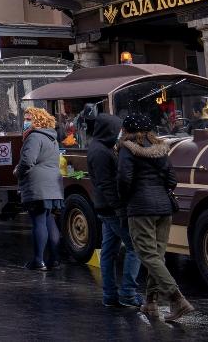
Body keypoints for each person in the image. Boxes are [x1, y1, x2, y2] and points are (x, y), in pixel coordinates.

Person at [119, 112, 193, 321]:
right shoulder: (161, 150)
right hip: (163, 208)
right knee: (157, 256)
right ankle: (150, 303)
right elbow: (172, 180)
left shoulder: (128, 149)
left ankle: (177, 299)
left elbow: (124, 179)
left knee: (148, 255)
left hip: (141, 208)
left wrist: (125, 199)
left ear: (127, 131)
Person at [89, 114, 143, 309]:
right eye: (117, 129)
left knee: (109, 250)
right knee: (134, 247)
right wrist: (119, 208)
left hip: (105, 206)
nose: (120, 132)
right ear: (109, 130)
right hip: (111, 208)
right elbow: (106, 183)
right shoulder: (101, 152)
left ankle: (110, 294)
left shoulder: (98, 147)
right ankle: (128, 292)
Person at [17, 106, 64, 271]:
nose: (25, 121)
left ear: (37, 120)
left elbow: (28, 161)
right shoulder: (52, 137)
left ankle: (38, 260)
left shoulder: (34, 137)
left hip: (37, 185)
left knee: (38, 221)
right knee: (49, 221)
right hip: (53, 185)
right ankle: (55, 260)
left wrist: (18, 171)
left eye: (29, 119)